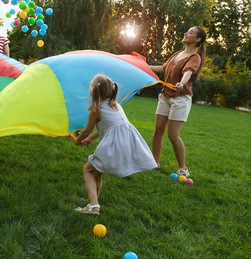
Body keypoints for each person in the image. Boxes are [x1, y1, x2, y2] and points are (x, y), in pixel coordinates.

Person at [74, 74, 157, 215]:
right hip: (125, 144)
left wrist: (79, 139)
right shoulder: (116, 105)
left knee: (88, 170)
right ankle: (94, 200)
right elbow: (108, 128)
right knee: (97, 172)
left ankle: (93, 206)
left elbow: (87, 130)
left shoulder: (96, 109)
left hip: (113, 146)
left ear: (94, 90)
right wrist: (91, 139)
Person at [148, 26, 207, 177]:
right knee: (158, 131)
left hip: (180, 98)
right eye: (187, 31)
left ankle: (183, 168)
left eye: (191, 33)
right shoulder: (178, 54)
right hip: (165, 96)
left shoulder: (194, 57)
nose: (186, 33)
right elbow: (164, 67)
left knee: (173, 135)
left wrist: (182, 83)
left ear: (198, 39)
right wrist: (144, 67)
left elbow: (188, 71)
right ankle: (155, 163)